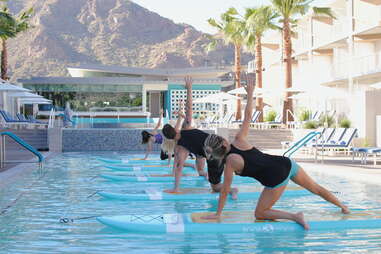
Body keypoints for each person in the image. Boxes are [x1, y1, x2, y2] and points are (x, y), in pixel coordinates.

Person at [201, 73, 350, 230]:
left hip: (276, 176)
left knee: (260, 213)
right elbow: (248, 116)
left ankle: (295, 216)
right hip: (286, 162)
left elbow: (225, 191)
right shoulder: (239, 139)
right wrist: (250, 93)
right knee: (315, 188)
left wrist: (218, 214)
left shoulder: (230, 162)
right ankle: (343, 207)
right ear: (224, 142)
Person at [162, 76, 237, 198]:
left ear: (169, 139)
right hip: (221, 142)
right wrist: (189, 89)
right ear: (174, 128)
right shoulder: (186, 127)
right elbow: (189, 108)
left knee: (215, 187)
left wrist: (176, 189)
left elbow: (178, 168)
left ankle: (232, 190)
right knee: (202, 167)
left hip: (215, 154)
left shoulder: (180, 148)